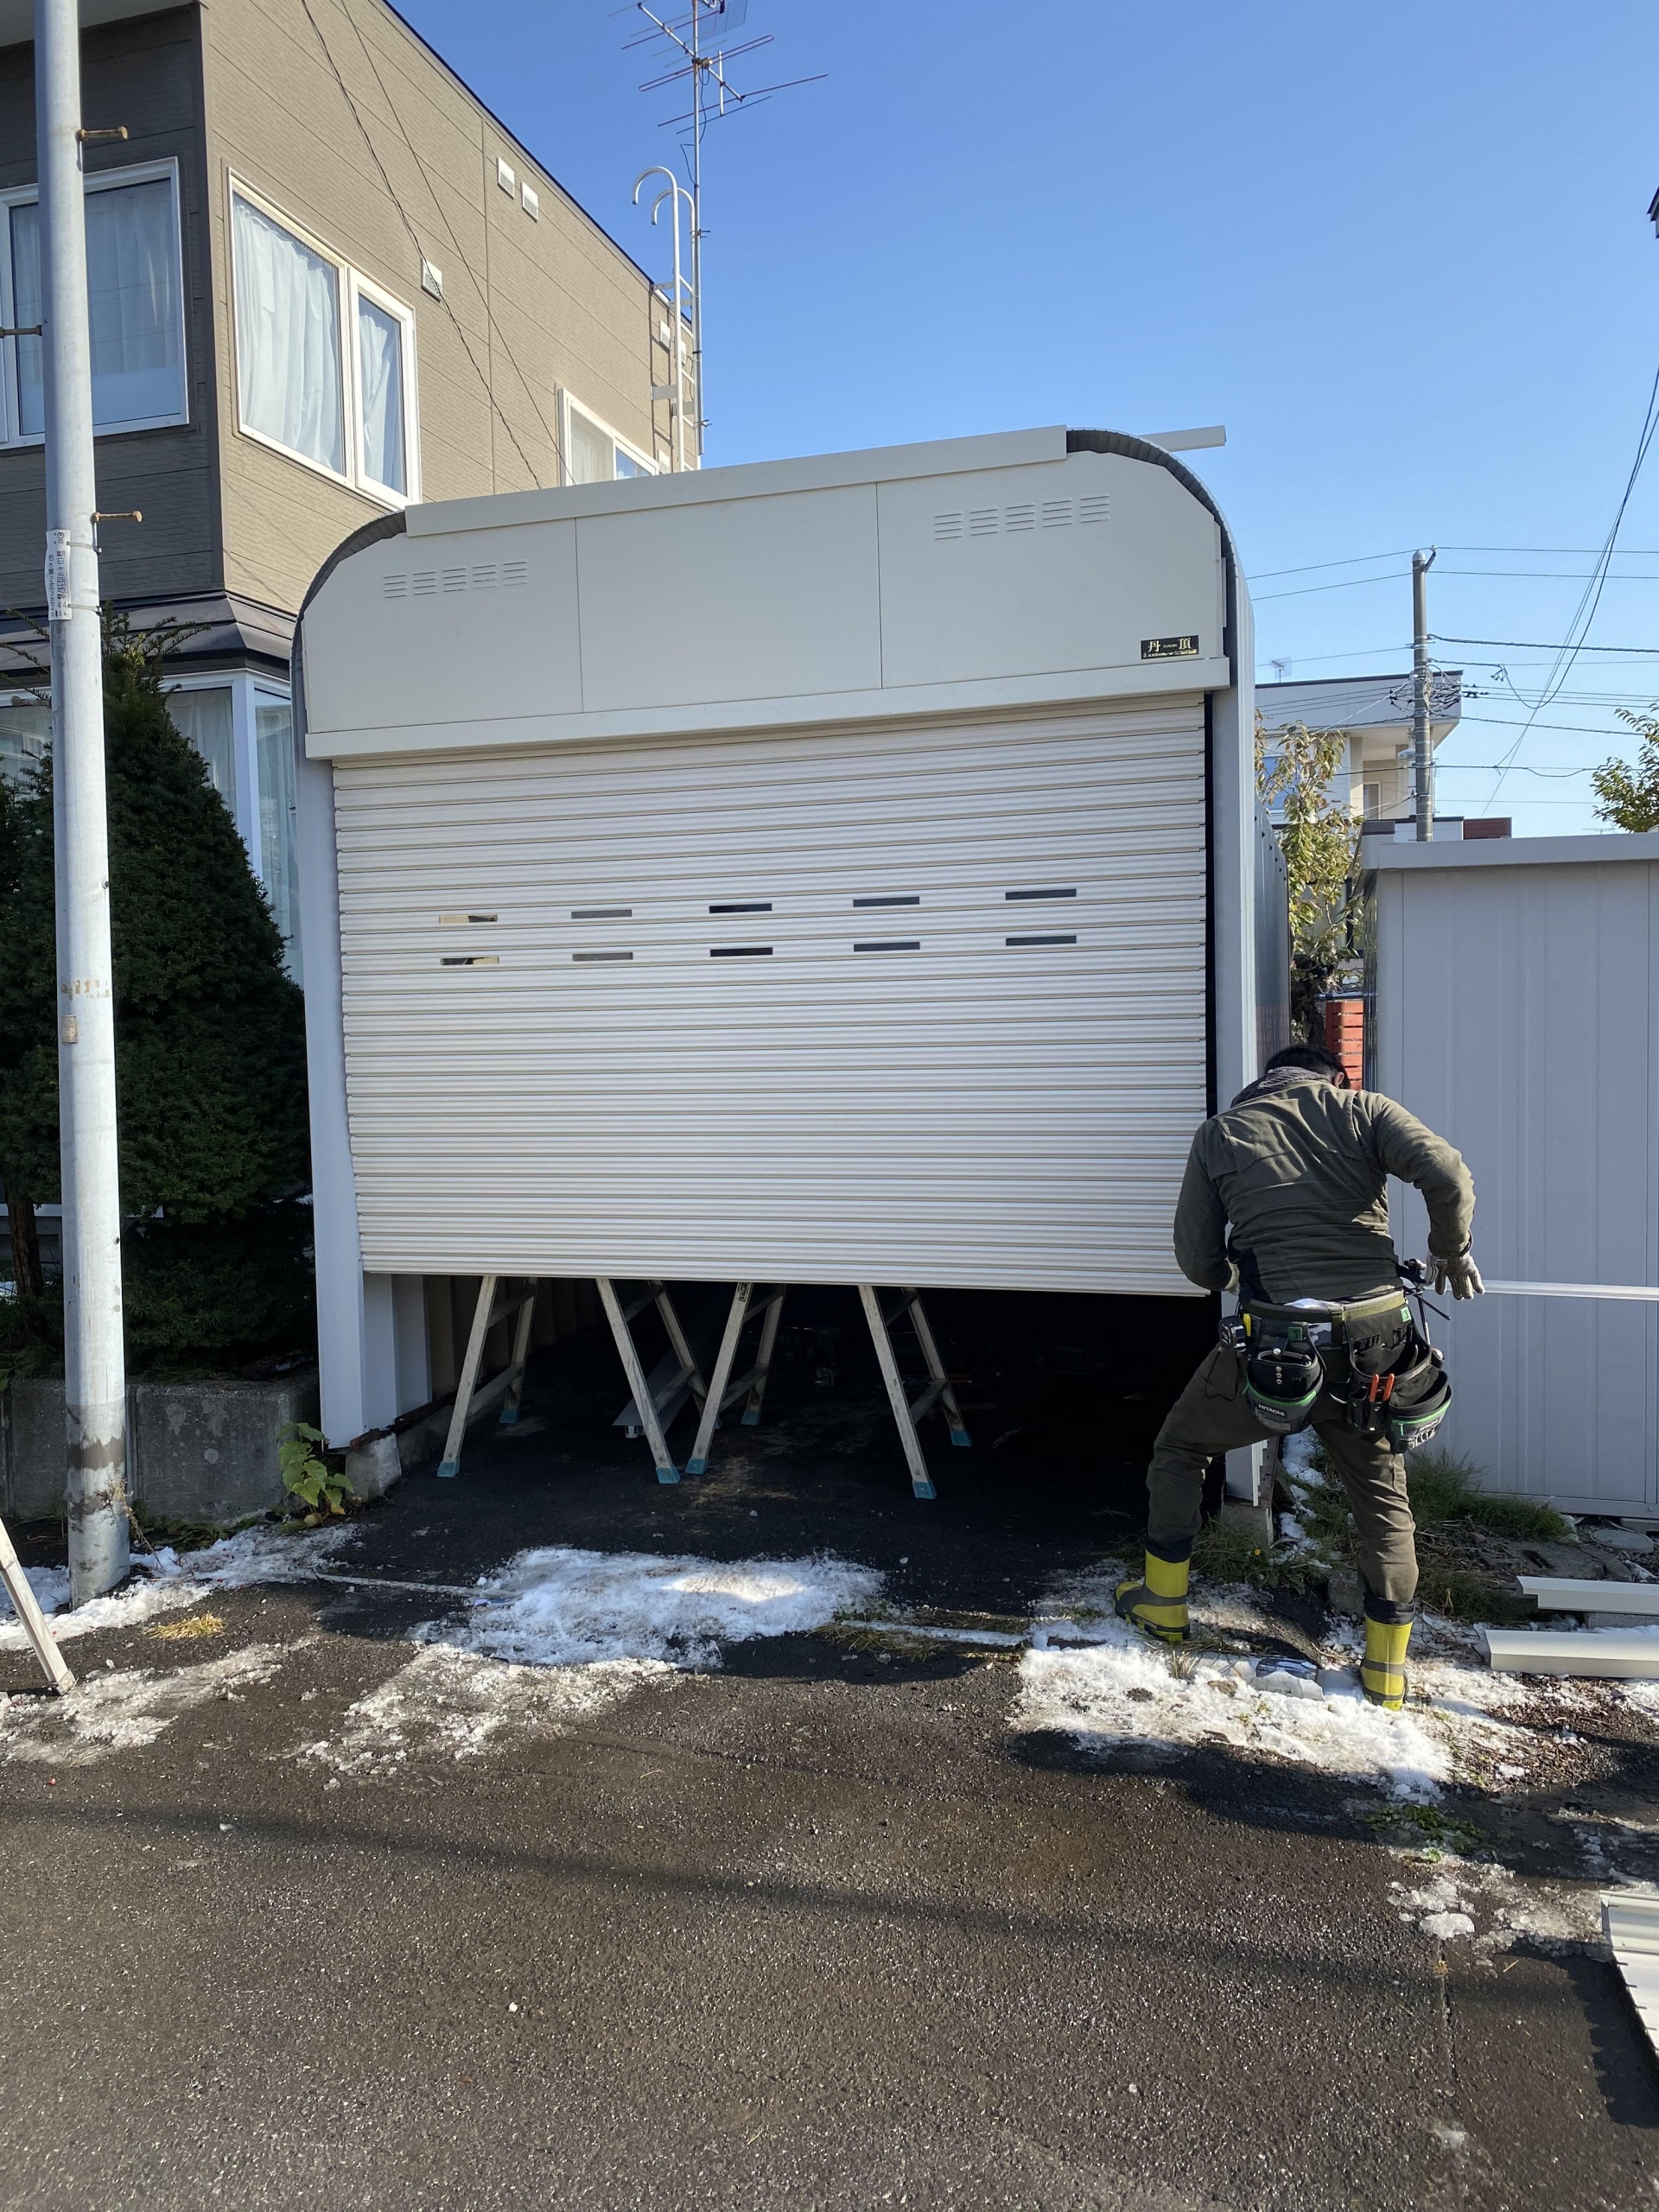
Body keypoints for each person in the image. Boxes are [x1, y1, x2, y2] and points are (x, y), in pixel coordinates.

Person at [1114, 1042, 1484, 1709]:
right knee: (1381, 1498)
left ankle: (1163, 1605)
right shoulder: (1363, 1111)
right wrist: (1448, 1249)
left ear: (1263, 1083)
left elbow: (1196, 1262)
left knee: (1180, 1447)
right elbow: (1448, 1175)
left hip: (1275, 1345)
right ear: (1333, 1078)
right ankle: (1387, 1674)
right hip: (1376, 1344)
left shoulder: (1221, 1134)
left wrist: (1241, 1278)